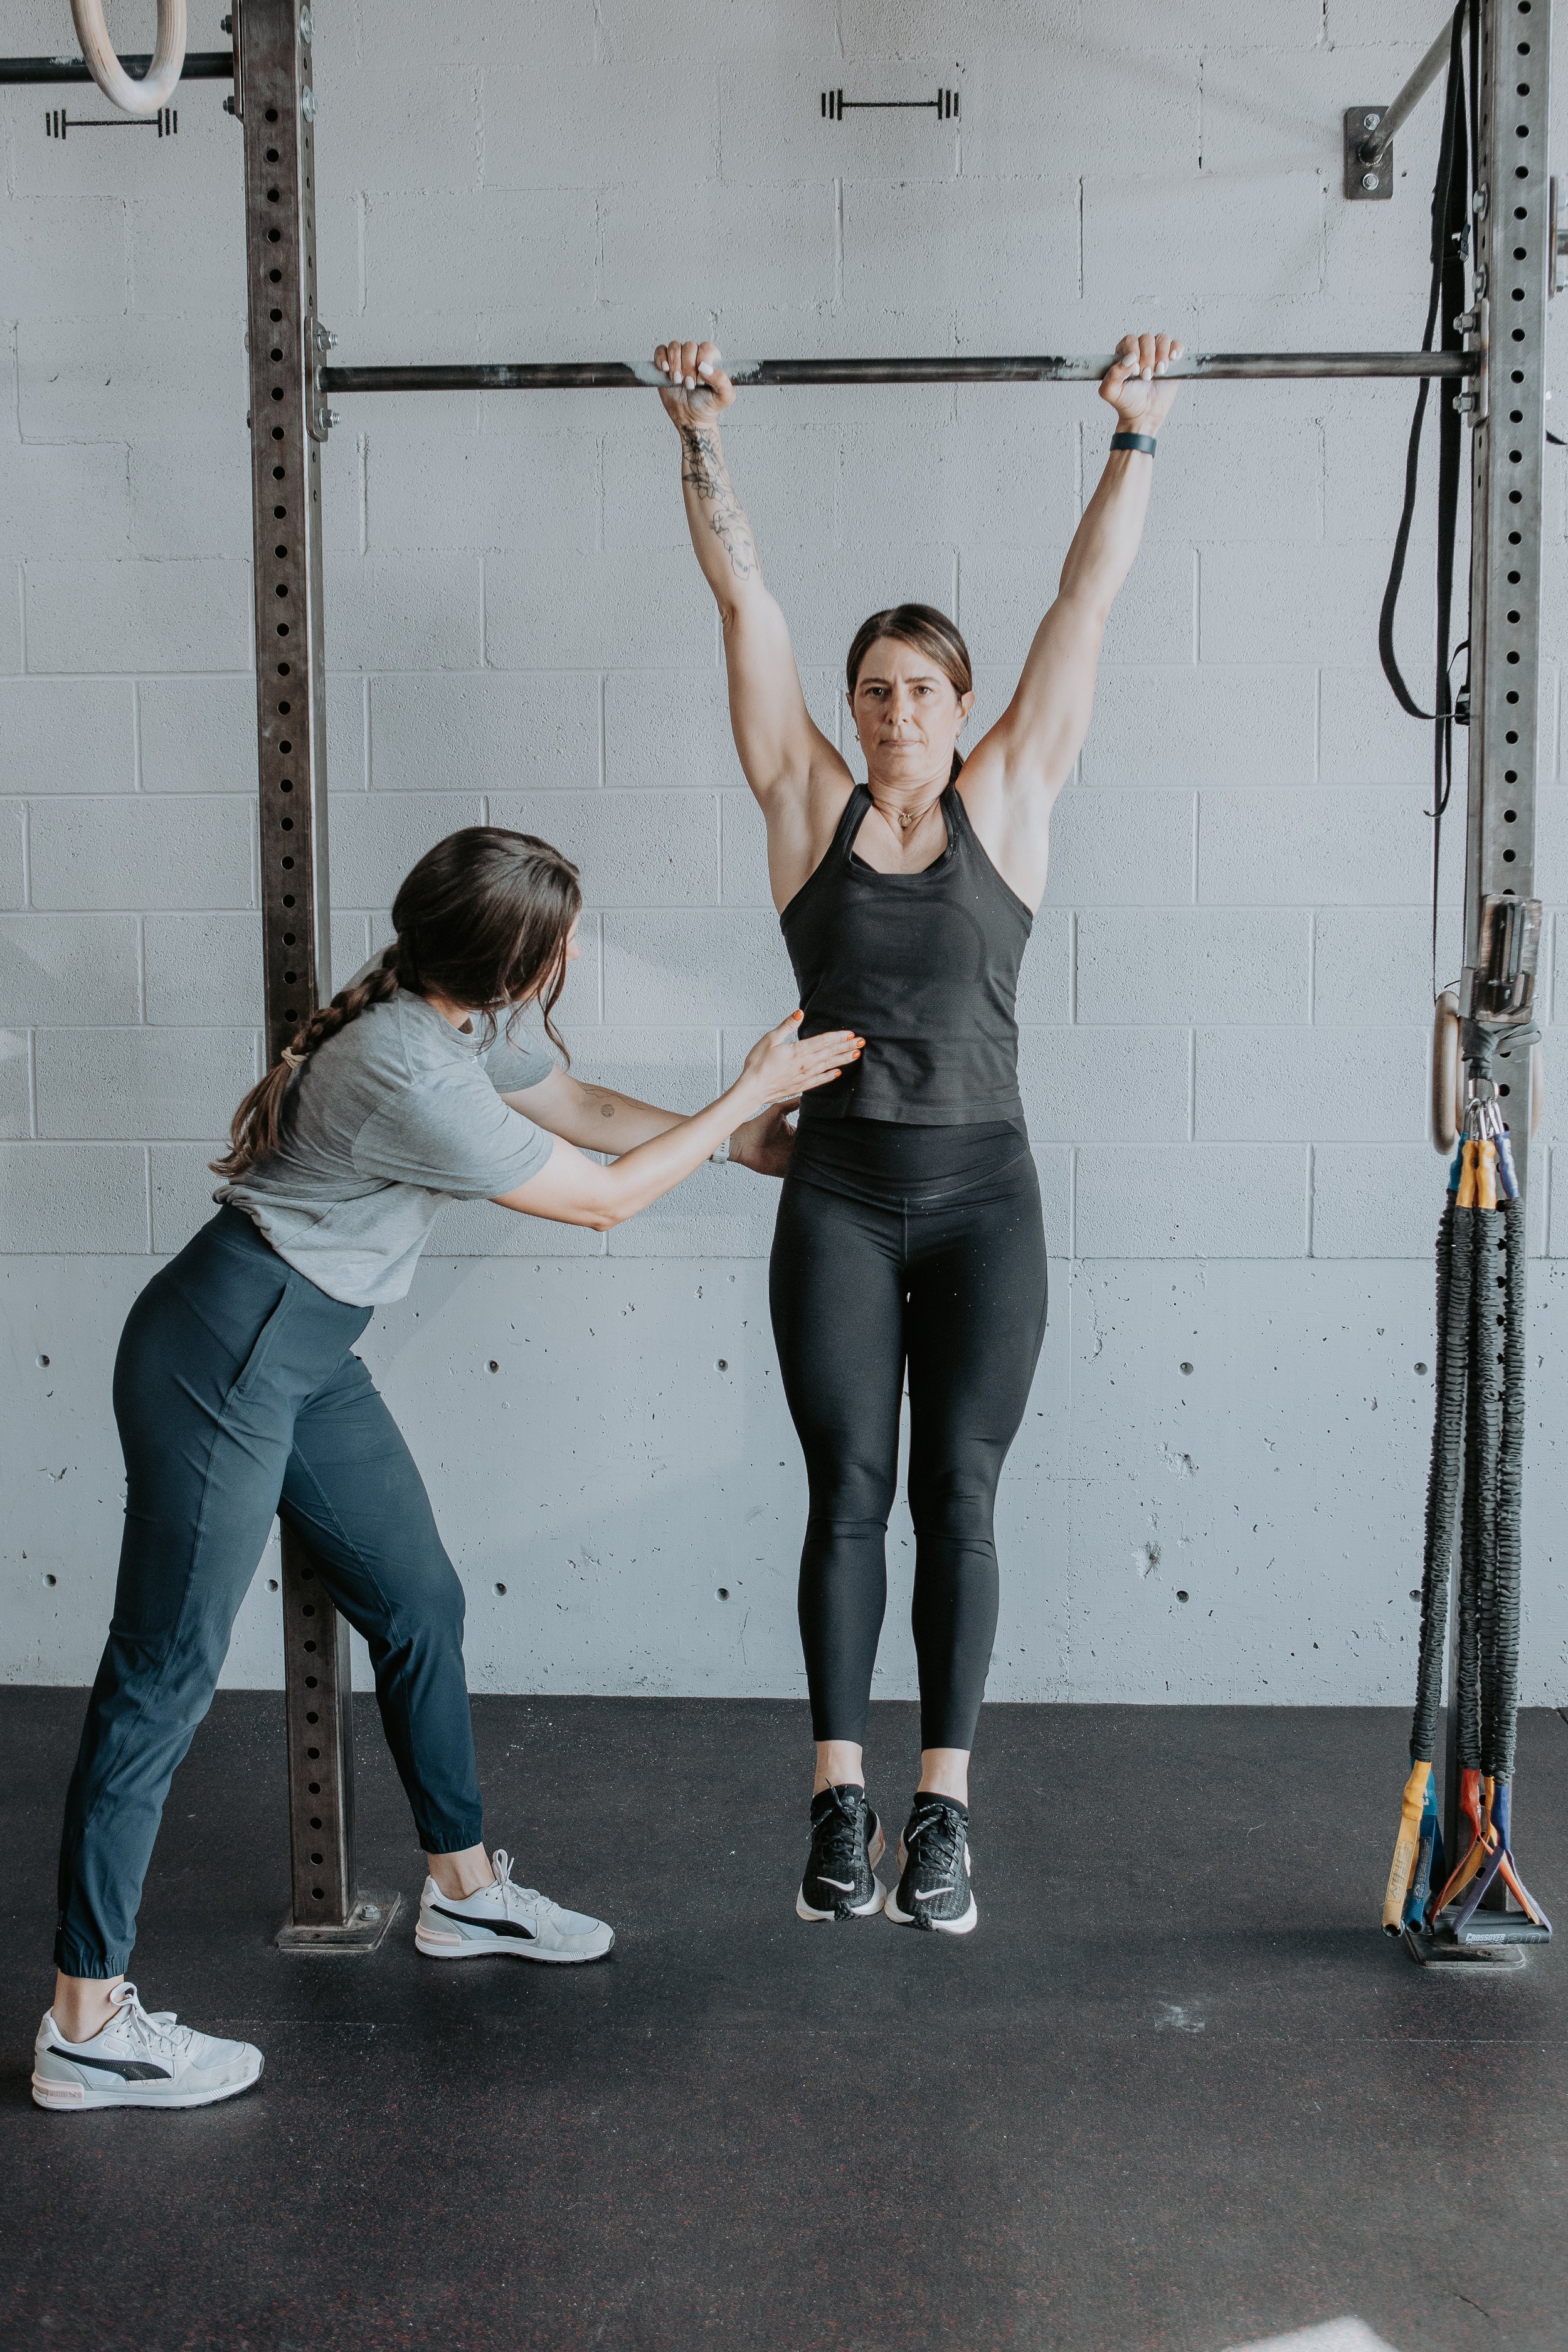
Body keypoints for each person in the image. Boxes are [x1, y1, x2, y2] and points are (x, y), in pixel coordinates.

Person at [33, 825, 859, 2111]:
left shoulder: (460, 1020)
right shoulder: (404, 1067)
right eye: (565, 938)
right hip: (228, 1351)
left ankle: (464, 1895)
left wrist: (749, 1145)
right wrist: (744, 1101)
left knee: (419, 1602)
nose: (577, 951)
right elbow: (598, 1199)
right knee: (163, 1675)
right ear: (519, 964)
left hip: (304, 1346)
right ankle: (85, 2021)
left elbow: (576, 1112)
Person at [654, 328, 1183, 1935]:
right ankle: (836, 1799)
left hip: (980, 1203)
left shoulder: (1008, 800)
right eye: (874, 689)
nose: (896, 709)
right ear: (852, 707)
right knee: (844, 1493)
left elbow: (1079, 609)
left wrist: (1134, 439)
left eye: (923, 689)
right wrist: (700, 442)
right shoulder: (804, 806)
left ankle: (940, 1813)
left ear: (961, 708)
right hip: (834, 1196)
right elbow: (746, 608)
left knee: (959, 1491)